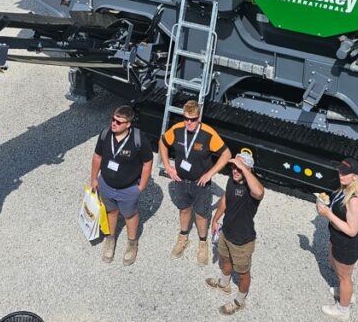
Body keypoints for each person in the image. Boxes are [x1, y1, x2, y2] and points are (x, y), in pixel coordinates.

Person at [160, 100, 232, 265]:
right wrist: (168, 167)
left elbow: (226, 154)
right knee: (184, 210)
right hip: (180, 181)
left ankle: (202, 242)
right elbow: (162, 144)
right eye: (186, 118)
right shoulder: (177, 130)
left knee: (200, 214)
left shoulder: (208, 133)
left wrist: (210, 174)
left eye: (192, 119)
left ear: (199, 118)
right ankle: (183, 237)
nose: (189, 123)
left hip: (200, 184)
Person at [90, 105, 153, 266]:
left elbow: (147, 162)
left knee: (129, 215)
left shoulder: (138, 140)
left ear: (128, 124)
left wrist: (142, 186)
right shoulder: (105, 134)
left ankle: (132, 243)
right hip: (106, 184)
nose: (114, 124)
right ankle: (110, 239)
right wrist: (94, 178)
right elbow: (97, 156)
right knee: (111, 211)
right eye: (113, 119)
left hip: (129, 189)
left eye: (118, 122)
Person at [206, 152, 264, 316]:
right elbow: (225, 198)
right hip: (226, 232)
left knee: (243, 273)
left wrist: (243, 169)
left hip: (242, 240)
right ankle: (224, 283)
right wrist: (216, 218)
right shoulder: (232, 180)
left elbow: (259, 193)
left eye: (239, 168)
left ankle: (239, 301)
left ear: (249, 169)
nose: (235, 170)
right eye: (233, 167)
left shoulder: (252, 188)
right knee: (225, 258)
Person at [316, 158, 358, 320]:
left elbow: (352, 231)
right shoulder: (344, 189)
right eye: (340, 171)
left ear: (355, 177)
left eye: (345, 174)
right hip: (337, 238)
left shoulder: (354, 200)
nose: (341, 175)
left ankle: (343, 309)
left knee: (345, 277)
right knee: (336, 266)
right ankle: (345, 292)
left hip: (347, 245)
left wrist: (328, 214)